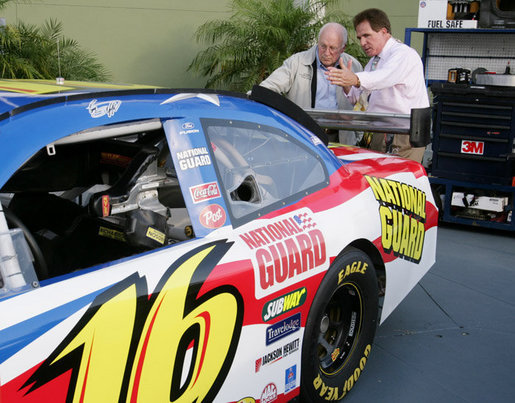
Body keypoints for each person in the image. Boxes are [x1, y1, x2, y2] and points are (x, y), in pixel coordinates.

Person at [326, 8, 429, 163]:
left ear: (384, 32)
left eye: (367, 36)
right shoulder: (375, 61)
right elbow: (360, 97)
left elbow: (383, 78)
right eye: (360, 37)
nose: (362, 43)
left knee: (398, 182)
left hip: (404, 134)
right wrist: (345, 83)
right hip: (381, 131)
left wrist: (353, 78)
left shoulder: (403, 54)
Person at [259, 22, 363, 144]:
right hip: (303, 136)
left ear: (343, 48)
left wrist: (357, 137)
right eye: (323, 46)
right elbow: (267, 88)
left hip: (341, 138)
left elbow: (363, 105)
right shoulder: (297, 62)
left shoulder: (354, 66)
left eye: (333, 48)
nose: (326, 53)